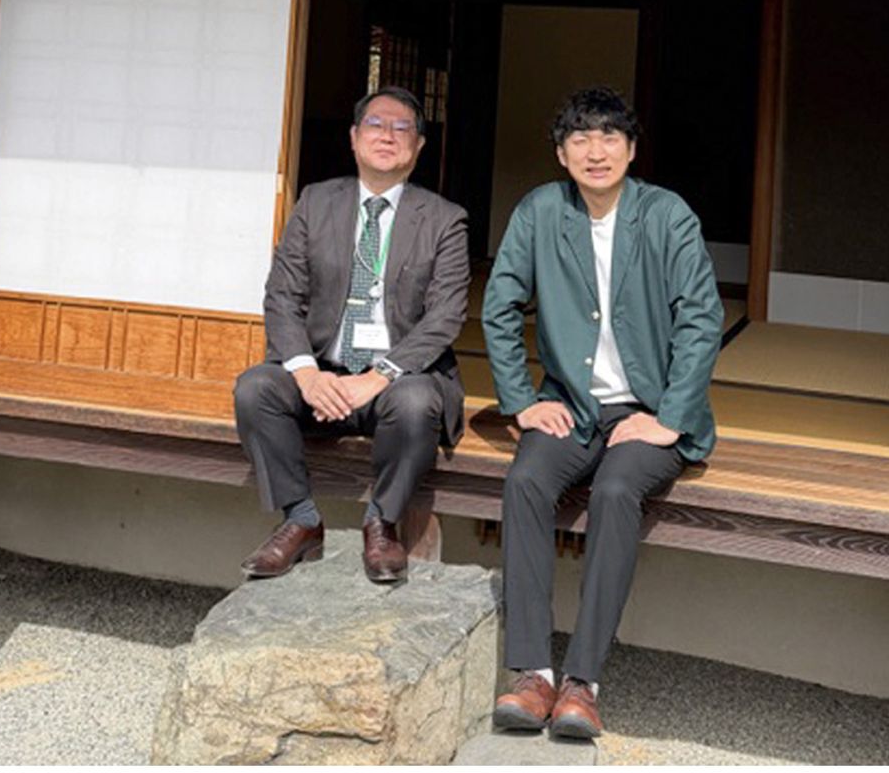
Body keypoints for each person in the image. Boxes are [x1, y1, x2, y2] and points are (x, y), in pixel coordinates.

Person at [483, 86, 723, 739]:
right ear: (562, 154)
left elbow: (703, 318)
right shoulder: (538, 213)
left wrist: (670, 417)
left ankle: (582, 682)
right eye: (581, 139)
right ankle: (532, 672)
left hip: (650, 412)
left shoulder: (667, 215)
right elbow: (499, 306)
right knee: (528, 480)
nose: (597, 150)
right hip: (570, 406)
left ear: (632, 149)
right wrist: (522, 400)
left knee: (617, 489)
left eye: (610, 136)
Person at [234, 86, 469, 583]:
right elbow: (282, 297)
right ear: (354, 138)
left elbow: (445, 317)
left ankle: (381, 522)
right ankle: (300, 519)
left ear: (419, 146)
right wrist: (306, 373)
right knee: (255, 388)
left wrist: (378, 375)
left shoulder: (445, 220)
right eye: (376, 125)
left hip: (399, 378)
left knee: (414, 403)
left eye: (402, 127)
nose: (388, 135)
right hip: (325, 370)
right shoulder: (318, 202)